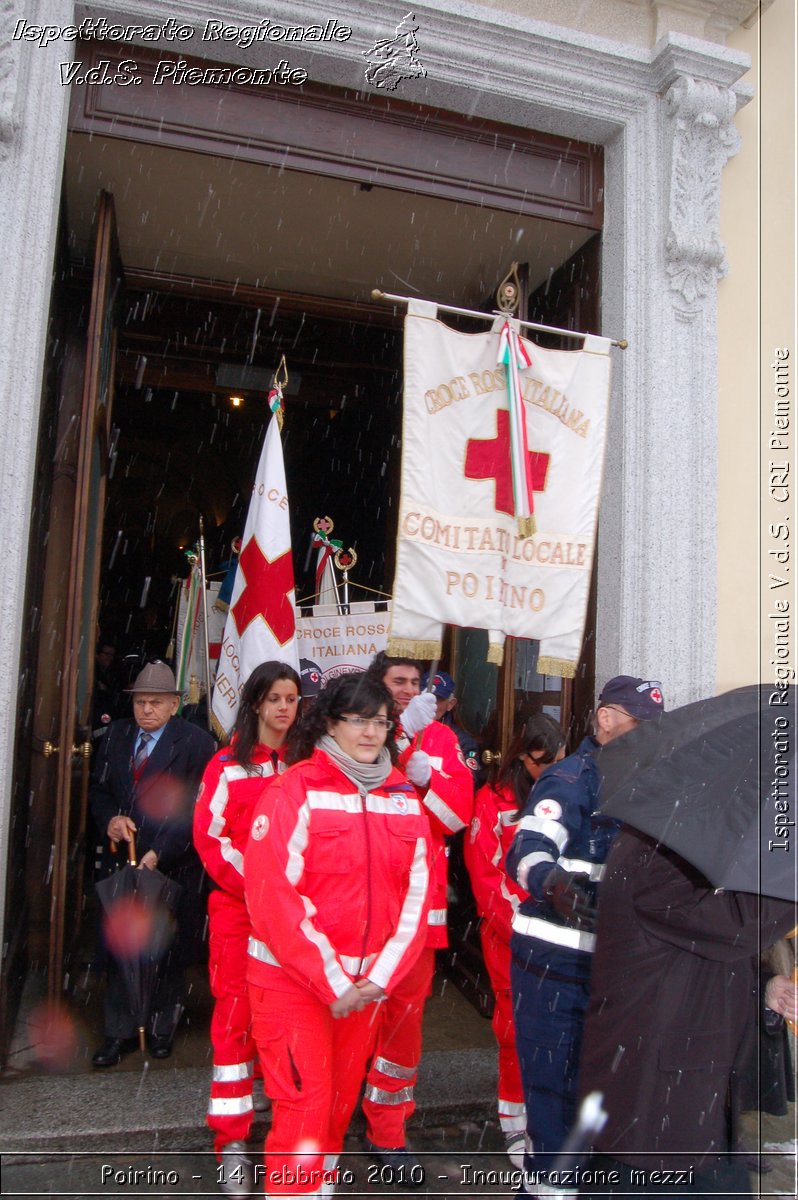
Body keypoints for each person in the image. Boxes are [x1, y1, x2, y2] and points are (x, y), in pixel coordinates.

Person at [243, 673, 430, 1199]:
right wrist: (332, 978)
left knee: (336, 1106)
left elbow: (417, 897)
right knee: (303, 1109)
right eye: (358, 720)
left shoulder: (401, 796)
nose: (372, 731)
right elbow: (273, 895)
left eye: (381, 721)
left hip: (363, 990)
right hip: (292, 985)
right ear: (330, 722)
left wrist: (379, 977)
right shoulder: (293, 788)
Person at [505, 675, 665, 1195]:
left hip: (615, 973)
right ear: (604, 719)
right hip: (553, 969)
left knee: (600, 1101)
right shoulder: (570, 781)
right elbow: (527, 846)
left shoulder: (650, 785)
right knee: (554, 1100)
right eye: (636, 723)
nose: (646, 736)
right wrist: (552, 883)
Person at [579, 827, 798, 1198]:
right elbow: (739, 923)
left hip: (686, 1108)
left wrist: (764, 986)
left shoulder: (675, 847)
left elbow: (697, 951)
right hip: (654, 1113)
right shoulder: (656, 859)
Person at [360, 653, 474, 1175]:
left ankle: (387, 1130)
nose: (407, 690)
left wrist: (424, 775)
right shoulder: (357, 731)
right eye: (397, 682)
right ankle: (332, 1114)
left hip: (417, 912)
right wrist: (396, 739)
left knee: (402, 1028)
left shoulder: (445, 741)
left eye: (414, 683)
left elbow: (454, 818)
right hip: (358, 906)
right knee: (351, 1021)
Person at [193, 661, 301, 1196]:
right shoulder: (225, 767)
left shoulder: (307, 765)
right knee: (235, 1019)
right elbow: (211, 841)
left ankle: (283, 1127)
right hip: (239, 912)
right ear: (256, 703)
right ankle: (231, 1140)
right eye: (275, 698)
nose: (285, 708)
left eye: (292, 698)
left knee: (280, 1020)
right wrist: (258, 889)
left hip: (293, 921)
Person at [89, 660, 215, 1066]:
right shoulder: (116, 737)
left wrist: (160, 851)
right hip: (122, 864)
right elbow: (99, 790)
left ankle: (161, 1028)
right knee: (122, 946)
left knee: (167, 950)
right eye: (141, 702)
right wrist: (109, 819)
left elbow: (195, 808)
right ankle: (118, 1032)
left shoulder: (195, 743)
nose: (146, 710)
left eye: (156, 703)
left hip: (172, 864)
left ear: (174, 704)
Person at [463, 714, 566, 1167]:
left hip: (559, 941)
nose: (554, 771)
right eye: (545, 762)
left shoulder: (565, 798)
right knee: (514, 1032)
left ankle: (550, 1121)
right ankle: (515, 1123)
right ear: (523, 758)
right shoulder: (492, 801)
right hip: (513, 940)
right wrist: (525, 927)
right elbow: (486, 878)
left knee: (556, 1033)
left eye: (560, 760)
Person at [421, 669, 481, 782]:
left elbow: (468, 783)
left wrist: (428, 777)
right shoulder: (404, 730)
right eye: (425, 696)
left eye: (437, 699)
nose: (430, 703)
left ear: (450, 704)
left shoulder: (463, 742)